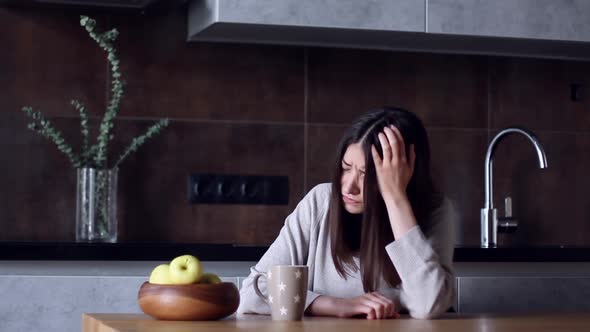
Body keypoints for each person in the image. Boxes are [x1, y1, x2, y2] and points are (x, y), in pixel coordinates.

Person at [237, 106, 457, 319]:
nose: (349, 187)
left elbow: (428, 303)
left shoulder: (436, 211)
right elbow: (252, 293)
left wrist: (395, 198)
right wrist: (337, 305)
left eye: (366, 174)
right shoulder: (321, 202)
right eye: (345, 167)